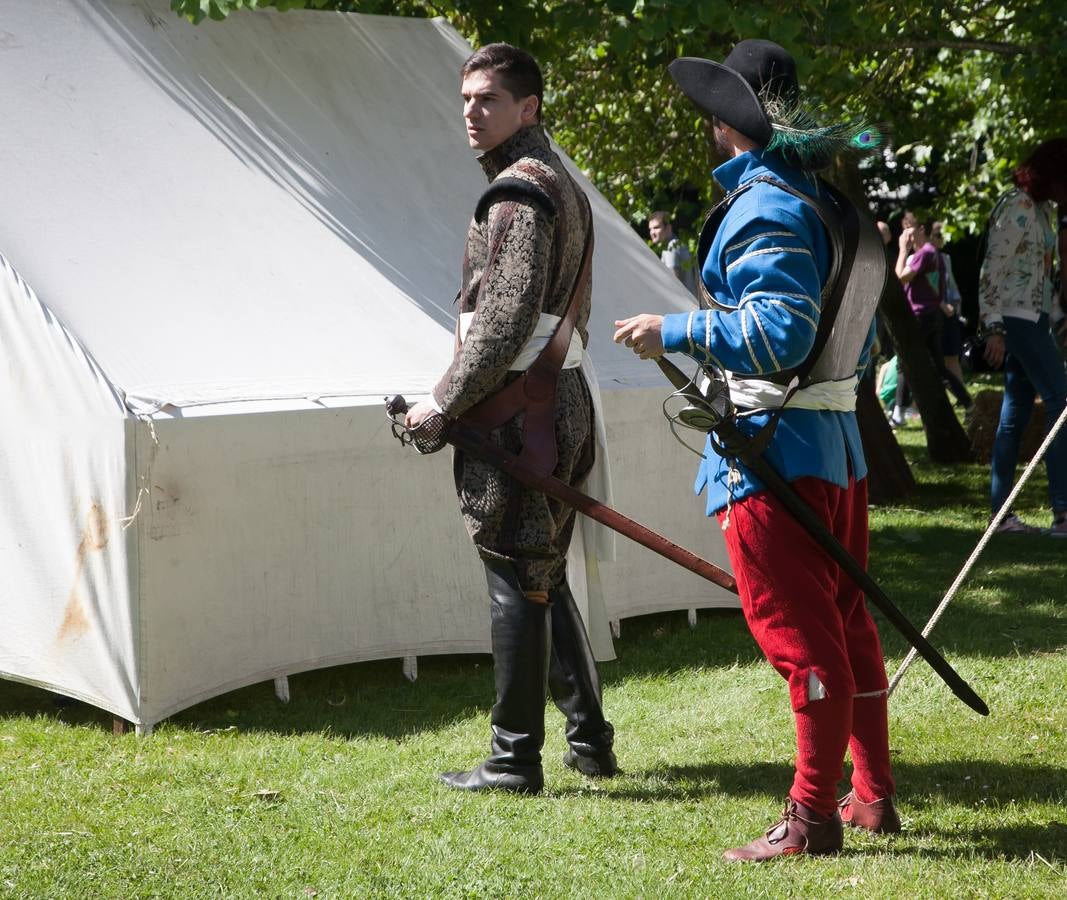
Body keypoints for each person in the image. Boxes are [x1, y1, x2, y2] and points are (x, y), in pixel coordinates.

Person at [614, 39, 898, 861]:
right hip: (833, 450)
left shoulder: (766, 206)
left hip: (774, 455)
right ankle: (870, 795)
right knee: (845, 632)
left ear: (722, 120)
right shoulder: (831, 206)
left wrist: (672, 328)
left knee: (805, 645)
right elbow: (858, 337)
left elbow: (779, 333)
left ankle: (811, 819)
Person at [403, 43, 616, 792]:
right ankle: (590, 742)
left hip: (519, 411)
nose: (471, 111)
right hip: (549, 401)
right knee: (541, 573)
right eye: (465, 99)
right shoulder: (559, 183)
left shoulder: (520, 193)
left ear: (527, 108)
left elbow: (501, 320)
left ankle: (512, 759)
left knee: (512, 572)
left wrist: (442, 402)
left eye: (487, 99)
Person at [979, 137, 1067, 536]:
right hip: (1016, 318)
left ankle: (1002, 516)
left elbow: (1042, 275)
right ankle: (1063, 512)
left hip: (1034, 316)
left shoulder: (1043, 210)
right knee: (1060, 402)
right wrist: (994, 326)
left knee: (1014, 413)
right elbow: (991, 270)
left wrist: (1056, 317)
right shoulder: (1017, 205)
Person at [890, 214, 972, 426]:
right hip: (933, 316)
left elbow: (899, 278)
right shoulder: (934, 253)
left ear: (921, 230)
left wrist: (902, 251)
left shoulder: (923, 254)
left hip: (921, 317)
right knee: (938, 366)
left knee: (905, 362)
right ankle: (967, 402)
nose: (906, 234)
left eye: (910, 228)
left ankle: (898, 412)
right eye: (905, 229)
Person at [931, 221, 966, 384]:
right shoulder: (920, 258)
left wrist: (957, 306)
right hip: (934, 314)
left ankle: (963, 399)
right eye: (938, 235)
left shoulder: (945, 258)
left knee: (952, 357)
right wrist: (941, 305)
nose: (942, 239)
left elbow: (951, 285)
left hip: (950, 314)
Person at [649, 211, 698, 296]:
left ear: (668, 228)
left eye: (656, 227)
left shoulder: (670, 247)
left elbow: (673, 282)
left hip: (681, 305)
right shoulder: (679, 244)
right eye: (650, 229)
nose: (652, 232)